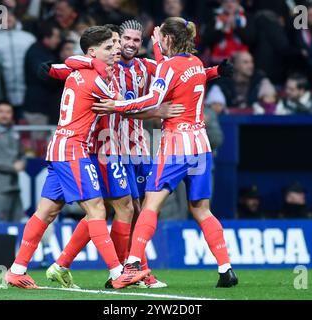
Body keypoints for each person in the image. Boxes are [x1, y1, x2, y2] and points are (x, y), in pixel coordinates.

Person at [92, 17, 238, 289]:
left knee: (150, 205)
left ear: (168, 40)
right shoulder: (195, 64)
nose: (155, 43)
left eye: (159, 40)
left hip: (175, 145)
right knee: (202, 210)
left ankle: (133, 264)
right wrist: (216, 70)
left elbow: (152, 99)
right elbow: (181, 71)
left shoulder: (168, 67)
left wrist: (117, 106)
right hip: (201, 146)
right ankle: (225, 268)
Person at [4, 26, 151, 289]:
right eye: (110, 46)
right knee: (96, 209)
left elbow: (71, 62)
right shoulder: (98, 80)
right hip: (75, 150)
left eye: (116, 45)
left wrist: (79, 61)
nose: (116, 49)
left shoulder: (79, 71)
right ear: (93, 53)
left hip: (60, 146)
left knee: (47, 211)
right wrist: (161, 109)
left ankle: (16, 270)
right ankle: (118, 273)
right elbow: (126, 107)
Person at [23, 22, 62, 156]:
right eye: (56, 37)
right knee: (38, 144)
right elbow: (43, 73)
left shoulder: (48, 52)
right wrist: (62, 75)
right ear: (46, 37)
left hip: (48, 107)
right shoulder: (36, 52)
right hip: (37, 108)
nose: (58, 40)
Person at [0, 10, 36, 114]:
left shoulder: (28, 38)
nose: (8, 19)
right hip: (3, 91)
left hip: (26, 88)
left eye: (10, 16)